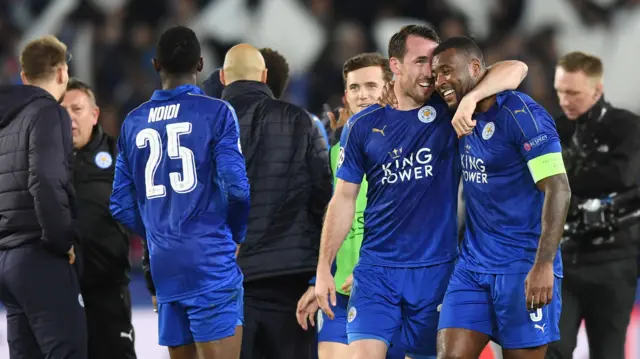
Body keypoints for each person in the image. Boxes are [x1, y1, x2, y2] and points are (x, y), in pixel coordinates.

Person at [315, 25, 528, 359]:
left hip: (438, 272)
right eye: (420, 61)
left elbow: (516, 69)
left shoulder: (448, 111)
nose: (431, 72)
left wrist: (470, 99)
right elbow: (343, 199)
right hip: (376, 273)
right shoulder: (362, 126)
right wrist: (323, 268)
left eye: (435, 62)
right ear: (395, 66)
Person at [110, 26, 250, 359]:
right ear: (201, 64)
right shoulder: (217, 112)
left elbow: (119, 203)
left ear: (155, 64)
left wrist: (158, 232)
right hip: (210, 257)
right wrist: (236, 234)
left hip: (165, 264)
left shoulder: (133, 122)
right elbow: (237, 188)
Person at [431, 36, 571, 359]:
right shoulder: (455, 113)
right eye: (436, 74)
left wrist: (544, 264)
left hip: (523, 266)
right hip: (473, 265)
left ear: (476, 68)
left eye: (447, 71)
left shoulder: (522, 115)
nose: (440, 82)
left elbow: (558, 188)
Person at [219, 43, 332, 359]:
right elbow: (324, 198)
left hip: (226, 283)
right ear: (265, 76)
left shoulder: (205, 126)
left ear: (224, 79)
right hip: (291, 284)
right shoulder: (303, 121)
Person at [295, 53, 406, 359]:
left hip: (396, 291)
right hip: (342, 296)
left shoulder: (409, 144)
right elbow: (329, 222)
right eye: (354, 88)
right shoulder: (335, 153)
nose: (362, 94)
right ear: (346, 95)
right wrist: (319, 279)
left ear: (389, 87)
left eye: (371, 85)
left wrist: (371, 270)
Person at [546, 52, 640, 359]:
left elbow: (622, 175)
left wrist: (562, 181)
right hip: (564, 261)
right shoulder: (554, 129)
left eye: (573, 92)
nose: (564, 100)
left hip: (613, 262)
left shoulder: (627, 127)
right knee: (553, 351)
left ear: (597, 90)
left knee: (608, 353)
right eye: (560, 91)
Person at [0, 35, 87, 359]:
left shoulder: (5, 121)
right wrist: (62, 241)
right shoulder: (49, 113)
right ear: (63, 72)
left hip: (7, 260)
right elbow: (46, 182)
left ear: (24, 77)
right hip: (39, 257)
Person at [61, 78, 137, 359]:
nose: (69, 117)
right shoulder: (45, 159)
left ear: (94, 115)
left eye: (76, 109)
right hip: (61, 290)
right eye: (62, 110)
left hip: (108, 287)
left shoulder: (119, 155)